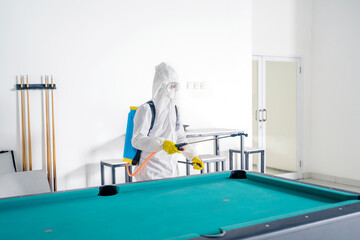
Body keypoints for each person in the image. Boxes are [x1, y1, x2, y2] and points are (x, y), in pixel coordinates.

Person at [132, 62, 204, 181]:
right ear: (160, 85)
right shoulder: (146, 109)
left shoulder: (174, 109)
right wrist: (162, 144)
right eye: (170, 86)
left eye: (175, 86)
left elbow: (180, 139)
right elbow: (137, 140)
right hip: (150, 174)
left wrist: (193, 156)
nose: (173, 90)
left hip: (172, 173)